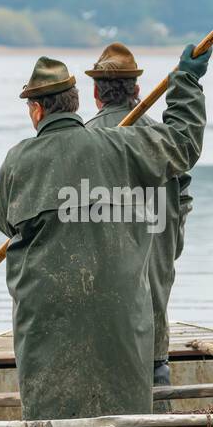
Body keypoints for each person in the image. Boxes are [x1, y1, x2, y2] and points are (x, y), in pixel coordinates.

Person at [0, 45, 210, 420]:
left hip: (47, 329)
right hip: (130, 324)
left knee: (52, 410)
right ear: (75, 102)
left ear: (37, 110)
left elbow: (4, 222)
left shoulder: (18, 160)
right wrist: (186, 82)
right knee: (134, 397)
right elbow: (183, 144)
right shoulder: (123, 146)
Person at [84, 43, 192, 389]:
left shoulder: (80, 141)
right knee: (157, 382)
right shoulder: (162, 140)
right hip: (153, 318)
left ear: (96, 93)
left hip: (99, 326)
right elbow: (178, 214)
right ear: (137, 91)